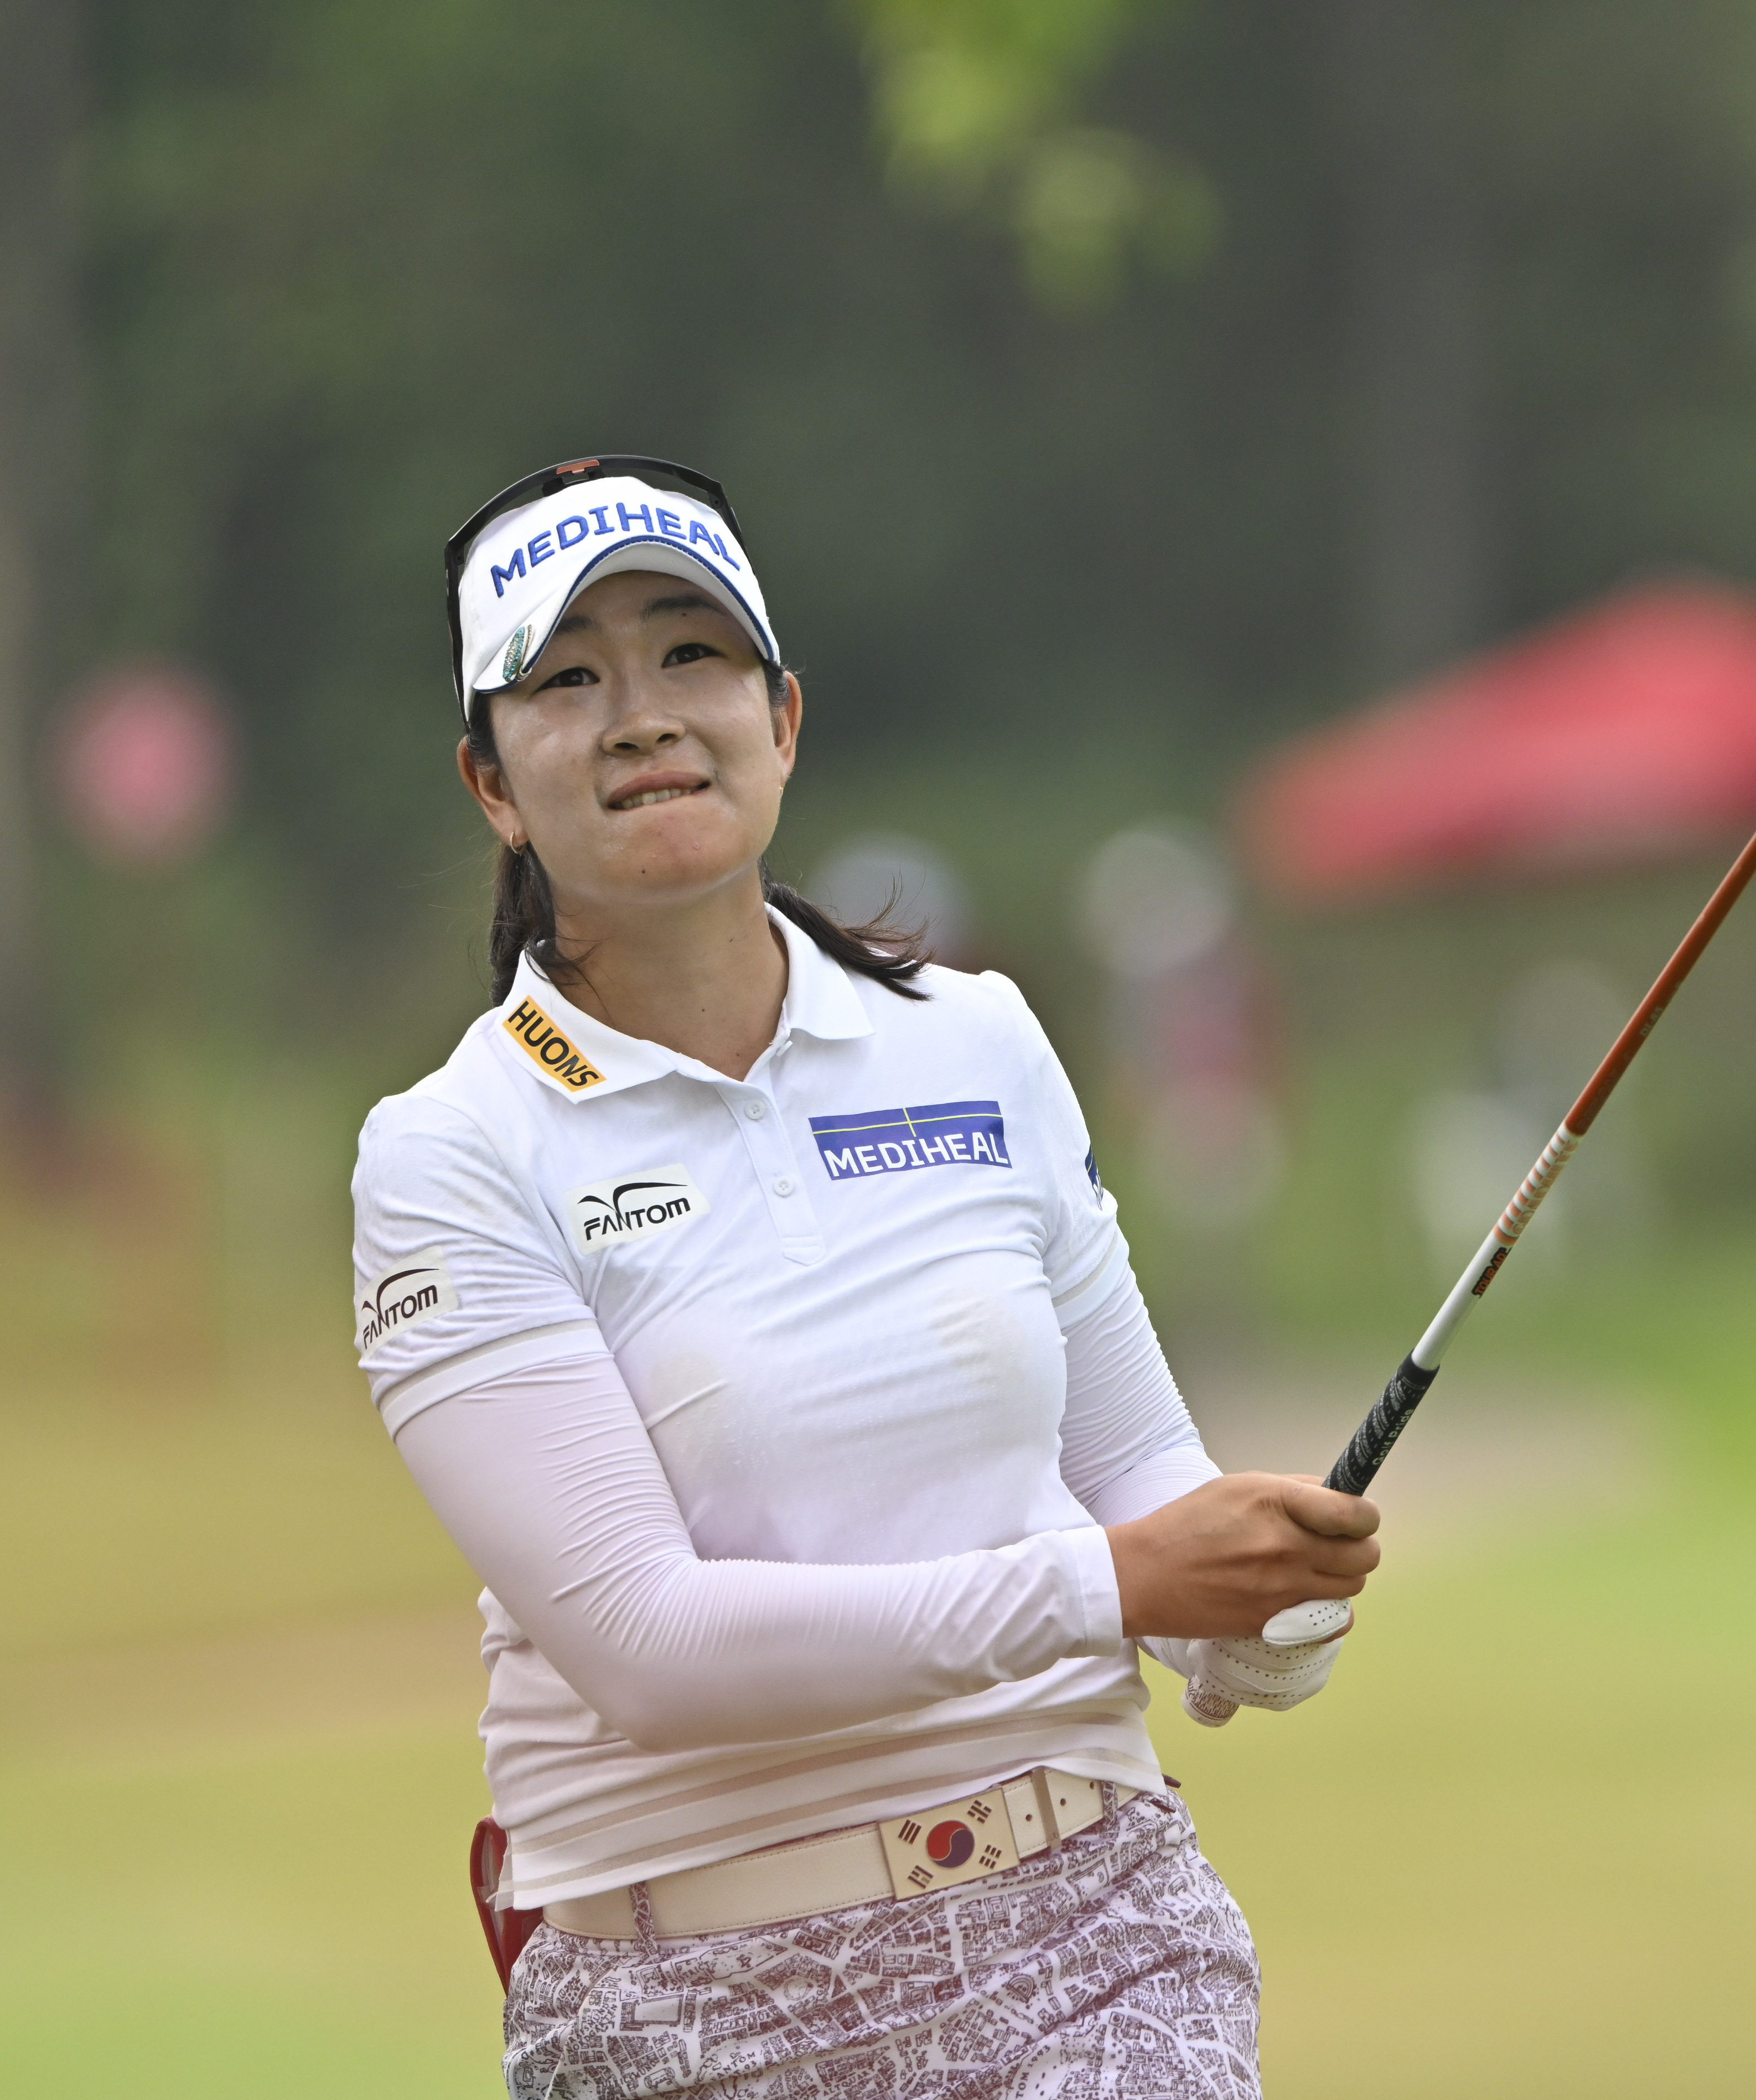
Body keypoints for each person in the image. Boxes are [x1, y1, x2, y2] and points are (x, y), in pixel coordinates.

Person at [351, 456, 1380, 2098]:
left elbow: (1135, 1471)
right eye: (570, 677)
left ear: (785, 714)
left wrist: (1256, 1607)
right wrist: (1121, 1589)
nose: (642, 715)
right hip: (684, 2006)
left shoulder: (977, 1039)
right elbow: (649, 1642)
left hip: (1097, 1942)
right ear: (489, 777)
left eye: (693, 655)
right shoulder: (455, 1151)